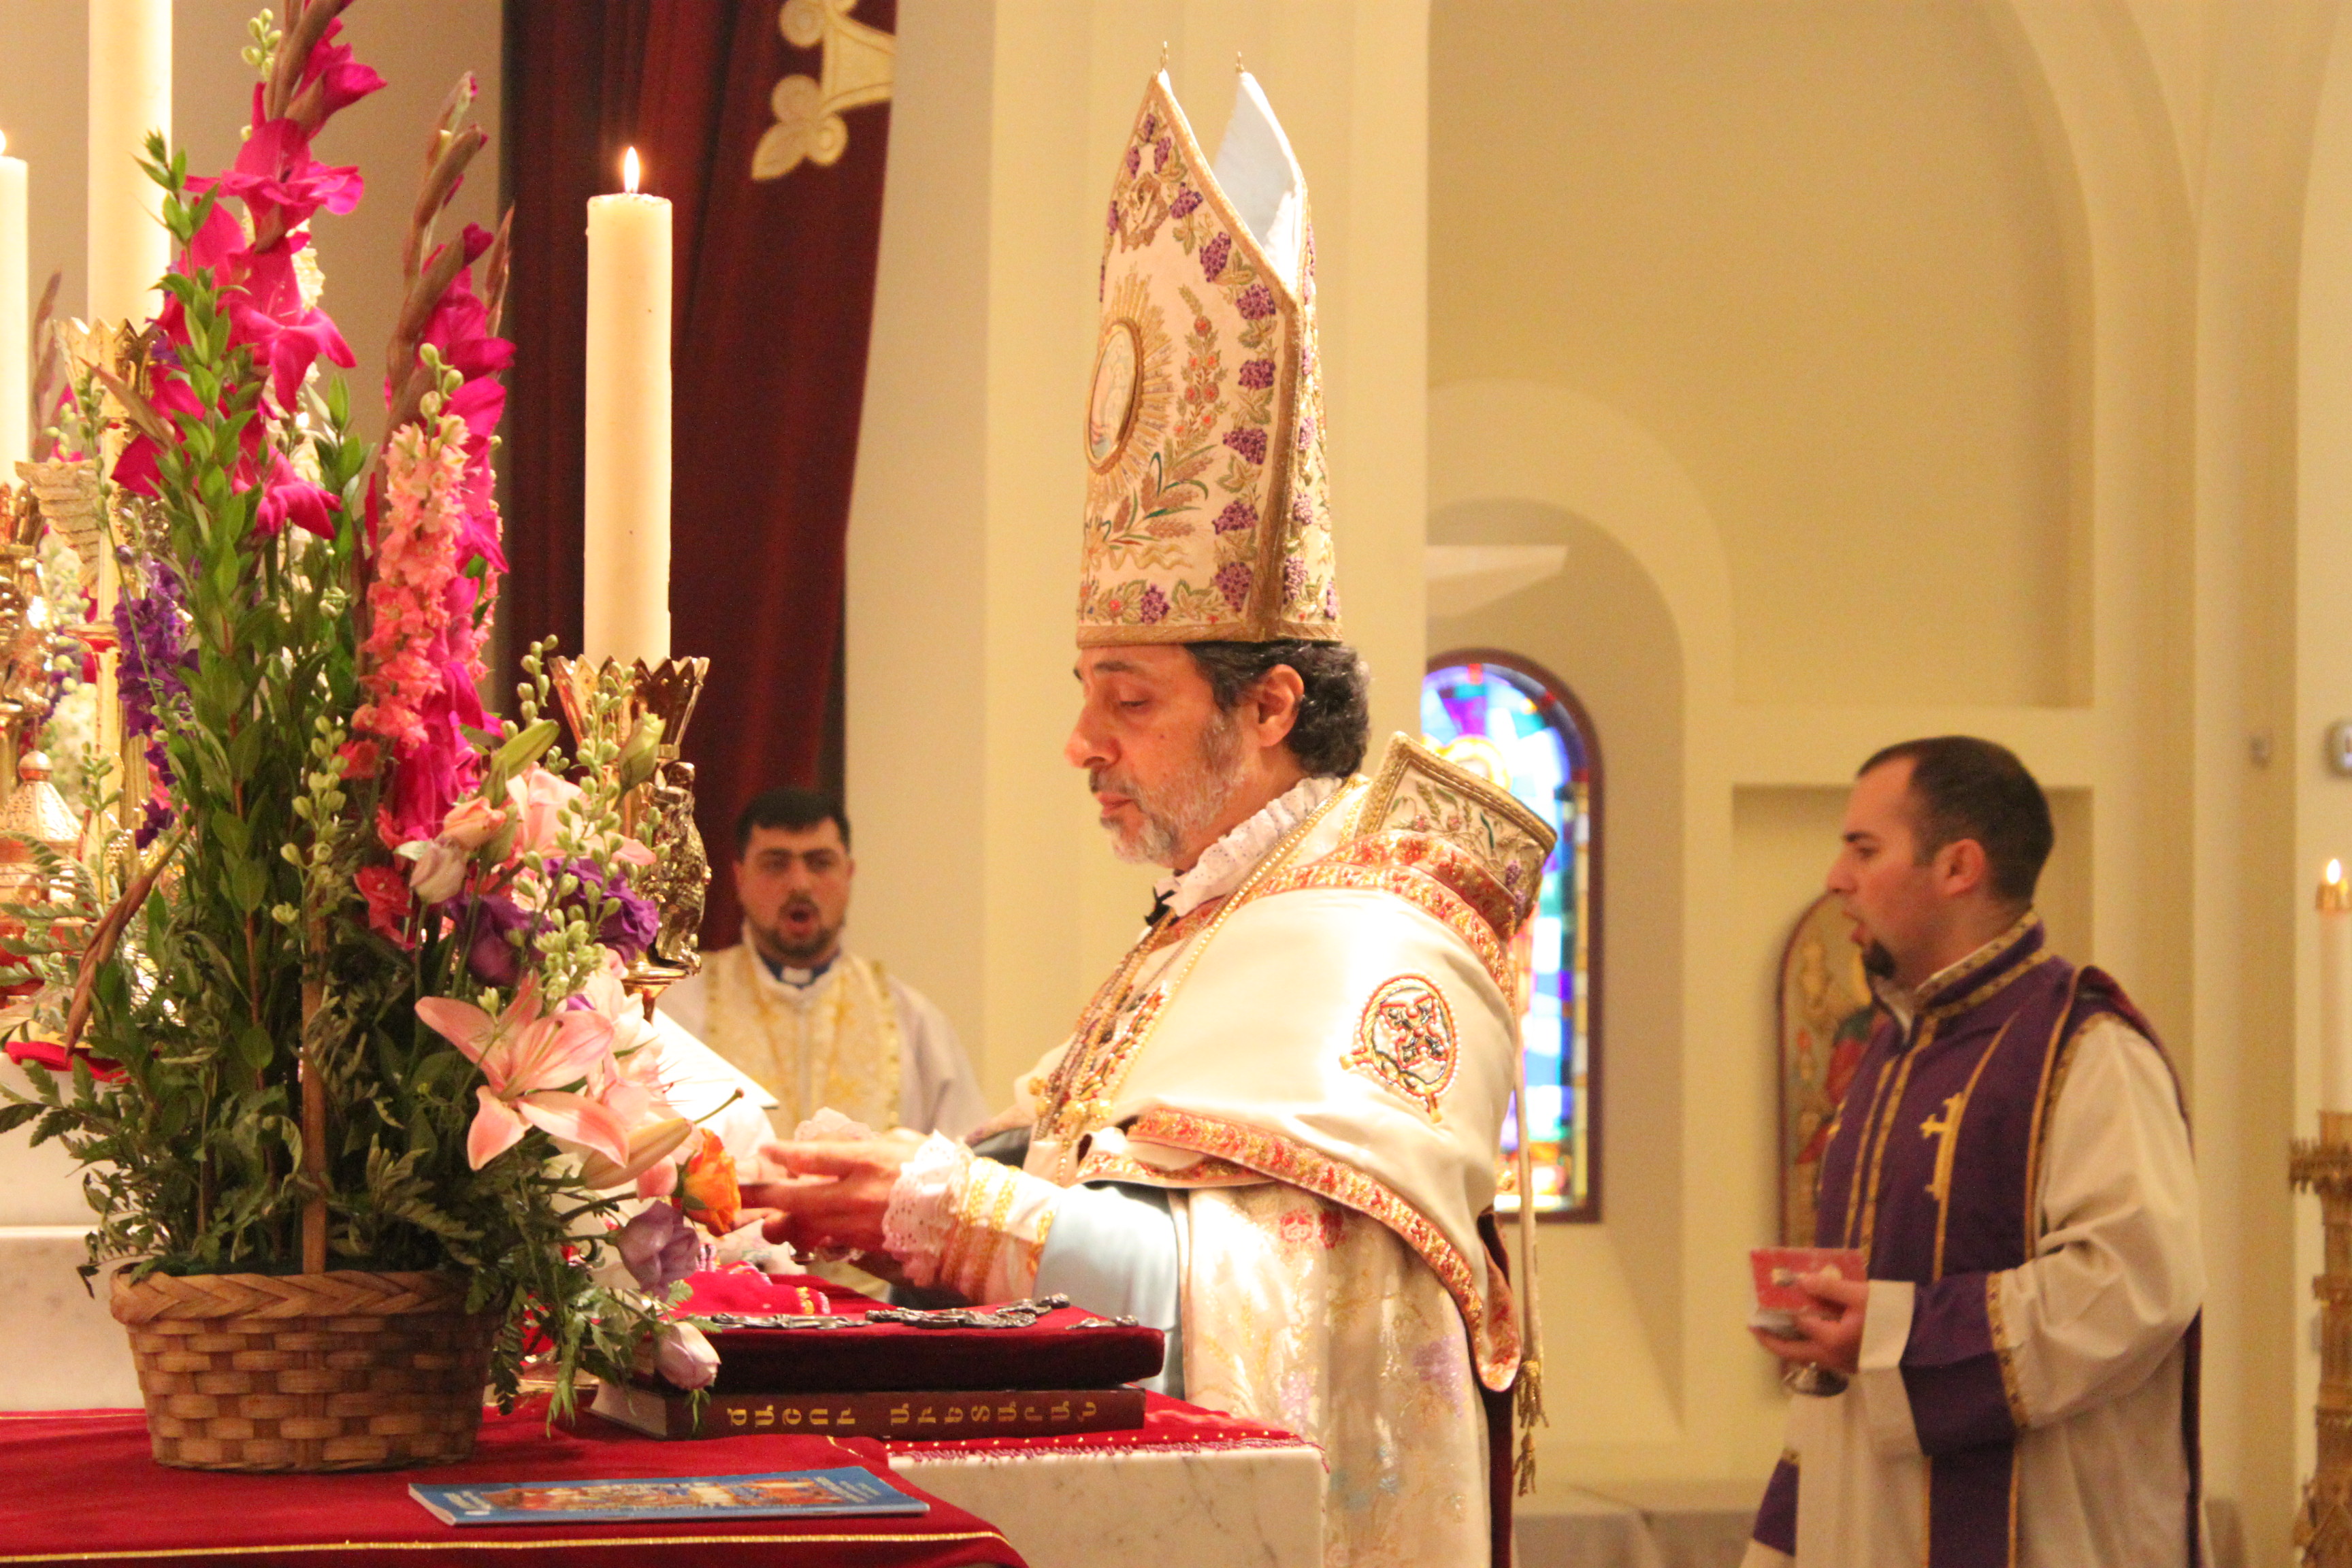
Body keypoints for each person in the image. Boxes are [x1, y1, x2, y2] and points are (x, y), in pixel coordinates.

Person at [740, 67, 1550, 1568]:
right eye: (1084, 691)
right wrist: (891, 1182)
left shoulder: (1382, 939)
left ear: (1268, 708)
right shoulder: (1212, 924)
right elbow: (1085, 1181)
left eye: (1127, 698)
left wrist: (940, 1204)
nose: (1079, 742)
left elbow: (1285, 1304)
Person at [1745, 737, 2204, 1568]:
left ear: (1959, 867)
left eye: (1864, 849)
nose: (1835, 878)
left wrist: (1894, 1334)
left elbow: (2137, 1286)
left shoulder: (2088, 1051)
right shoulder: (1888, 1058)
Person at [659, 787, 983, 1141]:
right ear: (739, 878)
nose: (800, 884)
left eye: (820, 863)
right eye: (776, 864)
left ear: (849, 873)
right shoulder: (679, 1011)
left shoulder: (911, 1022)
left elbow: (965, 1161)